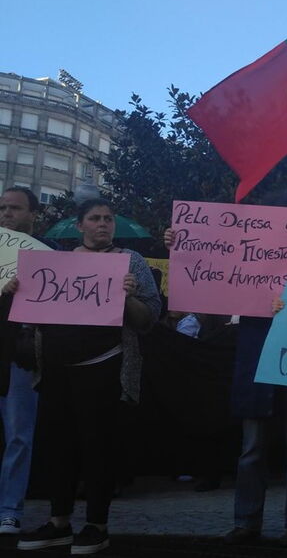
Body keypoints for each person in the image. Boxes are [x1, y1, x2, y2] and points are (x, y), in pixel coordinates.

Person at [163, 192, 287, 549]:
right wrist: (177, 244)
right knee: (252, 446)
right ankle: (246, 522)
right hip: (255, 352)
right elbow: (205, 266)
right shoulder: (245, 258)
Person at [12, 198, 160, 555]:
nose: (103, 224)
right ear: (80, 225)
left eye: (108, 219)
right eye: (95, 218)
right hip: (57, 371)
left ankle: (97, 525)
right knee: (58, 448)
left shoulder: (130, 262)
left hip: (105, 367)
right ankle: (59, 522)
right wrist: (15, 292)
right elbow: (32, 312)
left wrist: (126, 298)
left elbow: (149, 318)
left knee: (98, 448)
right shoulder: (56, 263)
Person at [0, 188, 57, 536]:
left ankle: (9, 511)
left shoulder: (50, 257)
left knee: (18, 436)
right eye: (3, 207)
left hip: (21, 359)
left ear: (33, 214)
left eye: (15, 208)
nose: (7, 213)